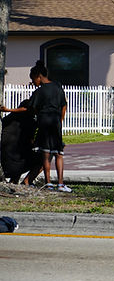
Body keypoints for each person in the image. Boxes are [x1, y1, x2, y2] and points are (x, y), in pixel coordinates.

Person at [0, 62, 71, 191]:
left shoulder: (39, 92)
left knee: (45, 154)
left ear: (39, 76)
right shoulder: (58, 87)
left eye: (33, 79)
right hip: (56, 124)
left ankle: (48, 183)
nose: (33, 82)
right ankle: (61, 184)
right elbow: (64, 105)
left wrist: (8, 109)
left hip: (44, 124)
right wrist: (60, 120)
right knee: (59, 154)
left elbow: (27, 109)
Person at [1, 99, 42, 185]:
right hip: (16, 163)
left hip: (3, 162)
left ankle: (14, 181)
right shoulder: (30, 122)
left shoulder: (7, 119)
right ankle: (26, 182)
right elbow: (31, 142)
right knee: (43, 160)